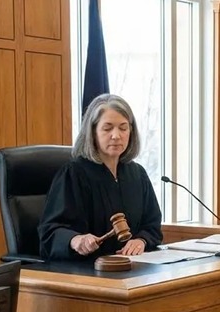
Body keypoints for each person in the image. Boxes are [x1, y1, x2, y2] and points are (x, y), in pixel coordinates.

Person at [38, 94, 163, 260]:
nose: (116, 135)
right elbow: (50, 232)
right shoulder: (74, 174)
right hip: (86, 267)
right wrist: (75, 240)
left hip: (133, 266)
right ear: (92, 132)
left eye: (123, 128)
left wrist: (141, 240)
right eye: (107, 128)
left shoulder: (137, 174)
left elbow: (152, 225)